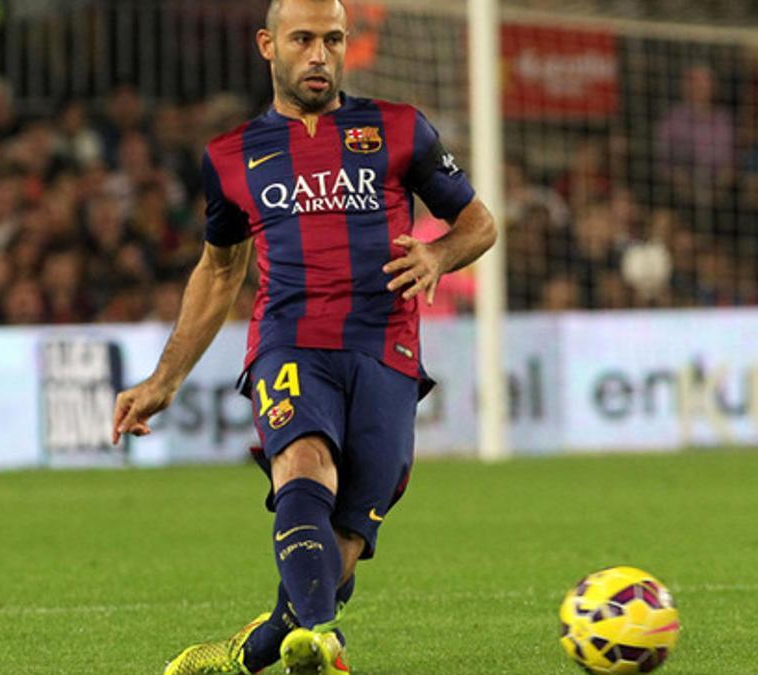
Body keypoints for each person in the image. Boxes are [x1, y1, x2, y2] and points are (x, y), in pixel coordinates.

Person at [108, 1, 496, 673]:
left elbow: (478, 222)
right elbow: (219, 268)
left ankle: (253, 648)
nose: (320, 54)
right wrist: (163, 378)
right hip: (289, 341)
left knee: (341, 546)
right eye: (304, 39)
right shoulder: (230, 157)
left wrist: (437, 255)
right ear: (268, 45)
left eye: (334, 39)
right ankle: (324, 644)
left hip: (387, 351)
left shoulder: (400, 129)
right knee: (302, 463)